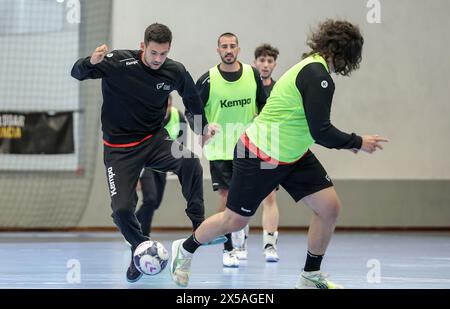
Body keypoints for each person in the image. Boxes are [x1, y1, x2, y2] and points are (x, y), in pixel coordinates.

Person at [170, 19, 388, 288]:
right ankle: (185, 249)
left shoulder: (315, 69)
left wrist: (350, 143)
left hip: (293, 155)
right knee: (234, 221)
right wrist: (358, 141)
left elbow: (310, 127)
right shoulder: (317, 76)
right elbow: (321, 131)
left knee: (329, 207)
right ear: (345, 53)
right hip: (258, 152)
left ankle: (310, 275)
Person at [71, 23, 215, 283]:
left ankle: (199, 225)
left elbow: (192, 99)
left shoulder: (175, 70)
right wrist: (89, 62)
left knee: (191, 162)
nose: (158, 59)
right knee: (122, 210)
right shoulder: (117, 62)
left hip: (154, 139)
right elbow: (77, 73)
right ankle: (140, 249)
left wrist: (201, 128)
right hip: (119, 150)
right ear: (142, 47)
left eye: (163, 54)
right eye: (153, 53)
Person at [186, 32, 267, 268]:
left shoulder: (252, 74)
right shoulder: (208, 80)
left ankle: (238, 232)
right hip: (220, 150)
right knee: (227, 196)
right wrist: (202, 128)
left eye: (232, 46)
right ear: (218, 50)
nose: (228, 50)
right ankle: (228, 247)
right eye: (224, 46)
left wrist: (262, 120)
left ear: (239, 49)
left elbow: (263, 103)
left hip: (248, 146)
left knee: (248, 195)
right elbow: (191, 111)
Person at [233, 43, 281, 263]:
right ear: (255, 63)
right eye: (261, 60)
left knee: (269, 196)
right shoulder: (247, 87)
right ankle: (239, 244)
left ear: (274, 65)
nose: (265, 64)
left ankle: (270, 244)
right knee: (242, 194)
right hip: (246, 146)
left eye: (269, 61)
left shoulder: (280, 90)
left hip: (270, 147)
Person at [135, 94, 187, 237]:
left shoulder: (179, 117)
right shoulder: (147, 117)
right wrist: (135, 176)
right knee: (150, 199)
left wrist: (178, 166)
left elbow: (182, 145)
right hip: (146, 164)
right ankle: (144, 237)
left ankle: (131, 222)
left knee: (155, 203)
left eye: (168, 106)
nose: (165, 110)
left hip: (163, 165)